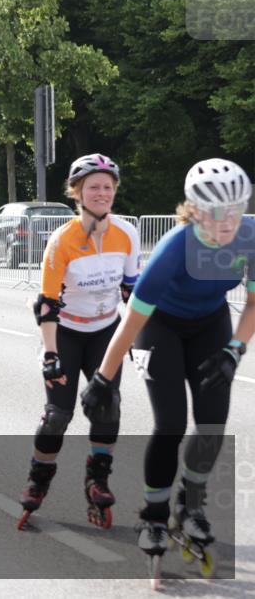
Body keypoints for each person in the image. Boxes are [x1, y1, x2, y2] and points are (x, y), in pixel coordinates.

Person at [87, 159, 253, 575]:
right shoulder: (174, 250)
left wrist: (235, 348)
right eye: (218, 213)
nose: (228, 221)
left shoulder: (249, 237)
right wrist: (103, 378)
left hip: (211, 324)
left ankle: (190, 503)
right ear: (195, 211)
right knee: (171, 424)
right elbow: (131, 321)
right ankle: (154, 514)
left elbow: (253, 303)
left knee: (213, 421)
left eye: (238, 209)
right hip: (160, 326)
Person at [18, 154, 140, 530]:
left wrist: (139, 337)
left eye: (107, 187)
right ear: (77, 193)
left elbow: (132, 293)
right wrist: (50, 354)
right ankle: (38, 481)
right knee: (57, 417)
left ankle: (97, 481)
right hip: (66, 333)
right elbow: (47, 304)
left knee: (108, 406)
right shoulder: (62, 240)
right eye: (93, 187)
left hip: (105, 331)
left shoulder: (127, 234)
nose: (102, 193)